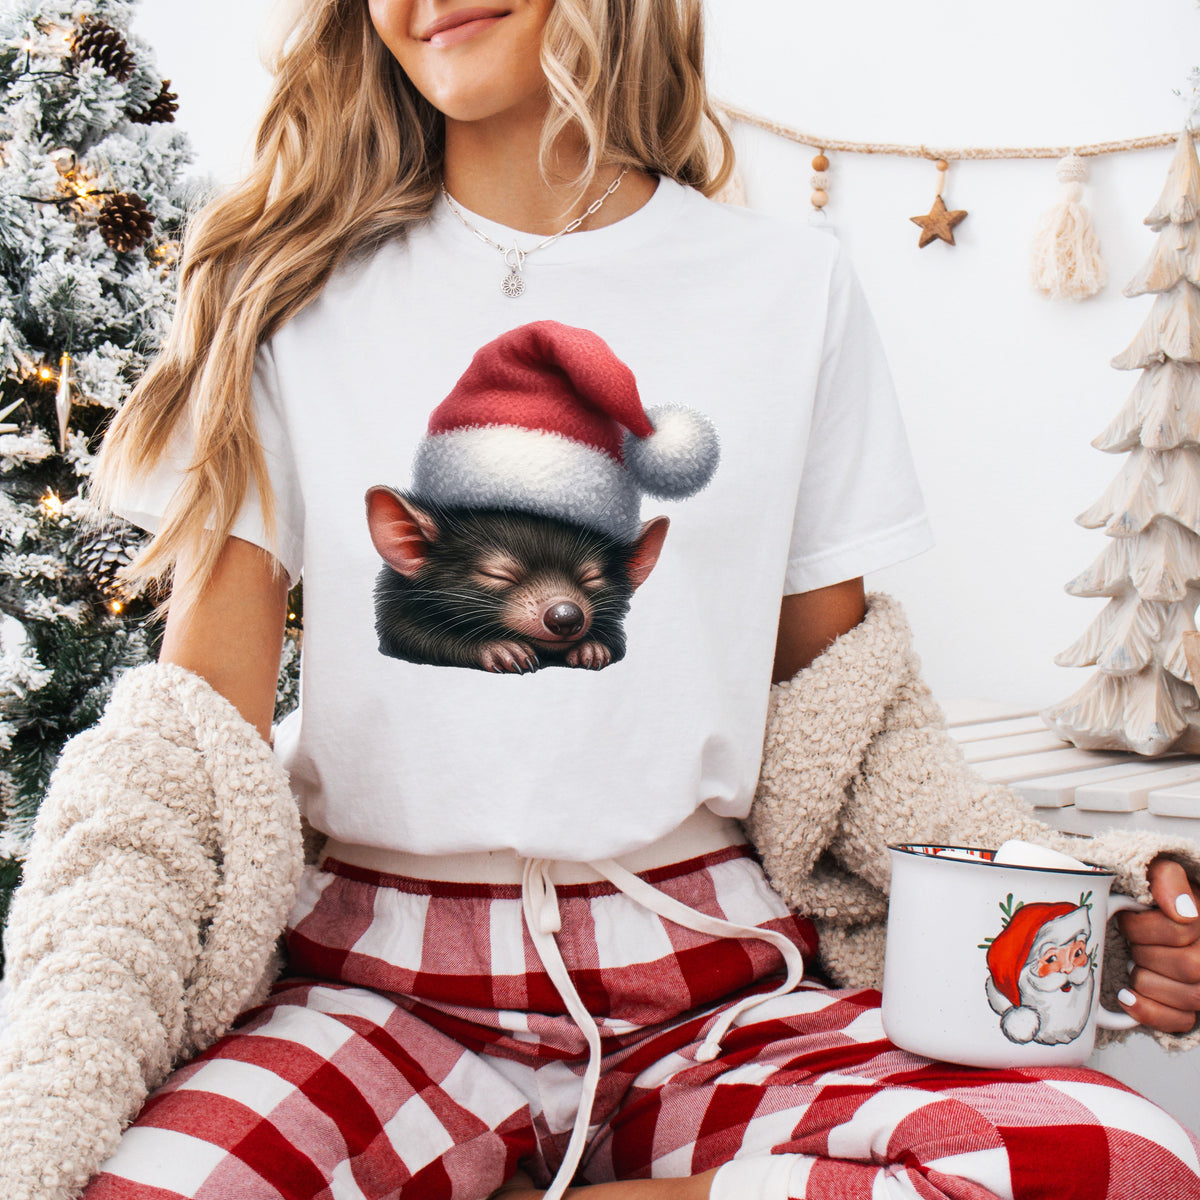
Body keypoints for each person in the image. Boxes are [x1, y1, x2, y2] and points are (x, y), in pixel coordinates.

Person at [53, 0, 1200, 1197]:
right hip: (373, 989)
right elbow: (191, 745)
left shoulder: (786, 286)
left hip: (709, 979)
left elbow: (850, 726)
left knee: (1121, 1163)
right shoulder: (284, 289)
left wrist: (1079, 890)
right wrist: (70, 1043)